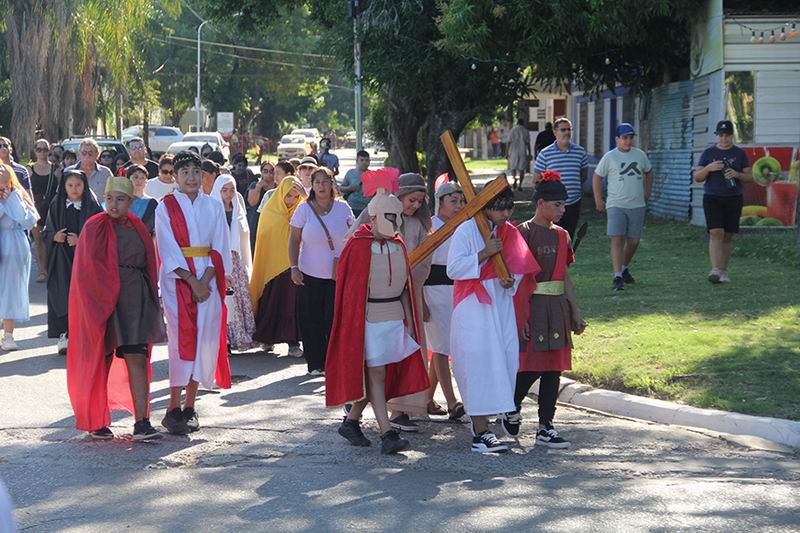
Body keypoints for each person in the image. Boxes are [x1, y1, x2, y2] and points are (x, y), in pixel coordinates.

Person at [326, 190, 430, 454]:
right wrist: (354, 329)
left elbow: (405, 287)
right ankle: (387, 433)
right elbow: (351, 292)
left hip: (394, 319)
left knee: (379, 375)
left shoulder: (398, 244)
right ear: (373, 217)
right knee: (377, 374)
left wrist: (409, 321)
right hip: (368, 320)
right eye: (388, 216)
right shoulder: (357, 246)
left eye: (396, 216)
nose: (394, 222)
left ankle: (351, 422)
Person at [66, 176, 165, 441]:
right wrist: (93, 306)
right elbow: (85, 272)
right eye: (109, 198)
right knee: (102, 358)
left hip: (135, 299)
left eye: (120, 199)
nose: (114, 204)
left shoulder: (138, 227)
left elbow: (149, 265)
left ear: (130, 201)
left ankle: (142, 422)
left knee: (137, 357)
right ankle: (97, 421)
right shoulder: (93, 227)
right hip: (102, 301)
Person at [447, 186, 540, 453]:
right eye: (500, 208)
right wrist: (484, 253)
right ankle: (480, 432)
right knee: (478, 363)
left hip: (501, 304)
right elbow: (454, 269)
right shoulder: (466, 230)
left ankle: (494, 420)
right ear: (486, 205)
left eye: (509, 207)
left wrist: (510, 281)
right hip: (473, 305)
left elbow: (518, 268)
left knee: (504, 360)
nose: (506, 214)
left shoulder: (509, 232)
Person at [155, 150, 232, 435]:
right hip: (178, 282)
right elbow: (167, 248)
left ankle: (190, 406)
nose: (191, 177)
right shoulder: (165, 207)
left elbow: (220, 246)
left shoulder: (213, 206)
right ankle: (171, 407)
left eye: (196, 172)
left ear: (203, 176)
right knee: (180, 342)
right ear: (175, 177)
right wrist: (191, 281)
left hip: (208, 280)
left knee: (204, 340)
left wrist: (206, 280)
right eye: (185, 172)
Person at [510, 170, 586, 449]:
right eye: (558, 204)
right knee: (531, 366)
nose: (563, 209)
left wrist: (575, 311)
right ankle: (511, 406)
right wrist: (521, 316)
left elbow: (564, 276)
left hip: (557, 308)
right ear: (541, 203)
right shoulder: (523, 233)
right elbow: (517, 279)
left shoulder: (563, 235)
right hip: (532, 306)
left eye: (564, 204)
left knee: (554, 368)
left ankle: (546, 426)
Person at [289, 167, 354, 374]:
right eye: (317, 182)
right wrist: (294, 267)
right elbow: (294, 240)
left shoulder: (343, 207)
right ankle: (315, 363)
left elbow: (354, 235)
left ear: (332, 183)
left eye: (325, 181)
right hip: (308, 273)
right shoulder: (304, 209)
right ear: (312, 185)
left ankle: (332, 362)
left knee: (333, 319)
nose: (321, 186)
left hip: (338, 274)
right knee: (311, 319)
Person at [44, 169, 102, 355]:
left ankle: (85, 336)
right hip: (61, 258)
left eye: (78, 185)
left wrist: (81, 240)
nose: (74, 189)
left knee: (85, 296)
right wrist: (54, 237)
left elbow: (101, 233)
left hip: (85, 259)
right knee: (62, 294)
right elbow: (47, 231)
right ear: (64, 187)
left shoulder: (92, 206)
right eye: (70, 185)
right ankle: (64, 335)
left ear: (85, 185)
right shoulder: (57, 204)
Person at [423, 178, 466, 420]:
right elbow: (420, 265)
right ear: (441, 202)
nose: (459, 205)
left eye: (461, 201)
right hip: (432, 290)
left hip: (456, 291)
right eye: (454, 201)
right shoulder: (429, 226)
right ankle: (452, 402)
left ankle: (427, 400)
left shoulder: (464, 226)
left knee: (444, 346)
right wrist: (421, 299)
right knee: (441, 347)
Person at [592, 123, 653, 291]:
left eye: (630, 138)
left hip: (637, 204)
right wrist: (598, 200)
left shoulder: (640, 155)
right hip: (616, 204)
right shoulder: (610, 157)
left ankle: (624, 267)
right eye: (624, 138)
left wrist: (647, 191)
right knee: (617, 238)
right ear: (617, 139)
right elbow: (597, 177)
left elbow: (648, 171)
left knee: (634, 241)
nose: (627, 141)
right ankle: (617, 276)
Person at [693, 120, 753, 284]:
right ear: (717, 136)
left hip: (733, 198)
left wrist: (737, 174)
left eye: (727, 135)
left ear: (732, 136)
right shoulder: (708, 153)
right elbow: (697, 177)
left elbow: (750, 177)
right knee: (715, 232)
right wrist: (708, 168)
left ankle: (723, 270)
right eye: (721, 135)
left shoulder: (740, 154)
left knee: (727, 235)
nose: (724, 138)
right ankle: (715, 270)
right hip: (712, 197)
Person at [251, 176, 305, 353]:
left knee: (291, 305)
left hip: (293, 266)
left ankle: (293, 343)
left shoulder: (302, 211)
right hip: (272, 269)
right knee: (271, 302)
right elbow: (264, 237)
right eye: (288, 195)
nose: (291, 200)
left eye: (295, 197)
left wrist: (305, 198)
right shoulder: (270, 211)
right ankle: (267, 338)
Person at [211, 175, 255, 351]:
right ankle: (225, 340)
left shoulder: (237, 209)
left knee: (237, 297)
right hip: (219, 260)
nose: (229, 194)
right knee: (223, 298)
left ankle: (238, 336)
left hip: (235, 260)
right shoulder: (212, 211)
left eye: (231, 190)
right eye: (224, 190)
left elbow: (243, 236)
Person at [0, 164, 39, 351]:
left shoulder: (18, 194)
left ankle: (8, 335)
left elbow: (28, 220)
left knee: (12, 289)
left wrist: (12, 199)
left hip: (14, 244)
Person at [533, 117, 589, 238]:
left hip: (573, 203)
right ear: (555, 132)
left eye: (569, 129)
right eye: (563, 130)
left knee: (569, 237)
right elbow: (536, 180)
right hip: (553, 204)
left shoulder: (580, 152)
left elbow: (583, 176)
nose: (567, 132)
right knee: (553, 238)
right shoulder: (545, 154)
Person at [28, 138, 60, 283]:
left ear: (49, 151)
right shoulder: (29, 170)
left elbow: (61, 190)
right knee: (38, 238)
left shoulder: (56, 170)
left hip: (51, 208)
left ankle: (50, 267)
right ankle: (42, 271)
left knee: (49, 239)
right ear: (35, 151)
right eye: (39, 149)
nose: (42, 152)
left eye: (45, 149)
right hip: (35, 207)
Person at [126, 164, 159, 235]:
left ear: (146, 181)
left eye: (143, 178)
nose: (139, 180)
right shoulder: (122, 201)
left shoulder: (152, 203)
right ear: (128, 180)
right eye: (135, 177)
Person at [340, 149, 371, 217]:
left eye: (366, 160)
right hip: (352, 207)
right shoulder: (350, 173)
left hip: (367, 208)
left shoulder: (374, 175)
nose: (364, 162)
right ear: (357, 161)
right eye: (362, 160)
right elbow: (341, 188)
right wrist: (349, 188)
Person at [508, 118, 532, 190]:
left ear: (517, 122)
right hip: (522, 152)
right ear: (523, 123)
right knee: (522, 169)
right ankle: (520, 185)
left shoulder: (512, 130)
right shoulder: (525, 131)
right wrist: (529, 153)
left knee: (513, 168)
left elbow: (509, 142)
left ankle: (514, 178)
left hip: (513, 152)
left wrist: (507, 153)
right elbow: (528, 143)